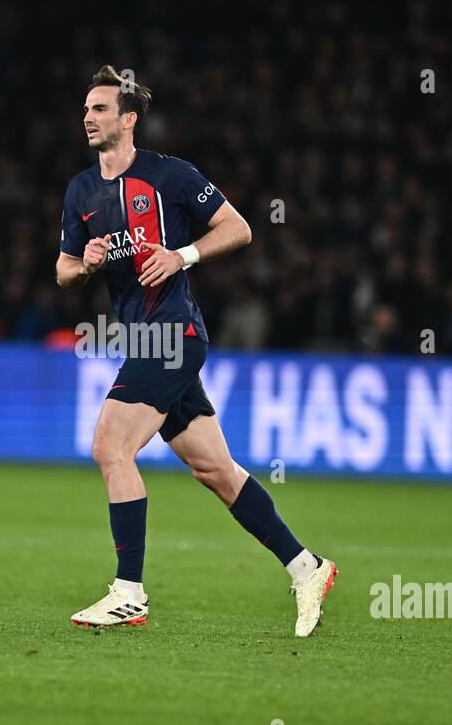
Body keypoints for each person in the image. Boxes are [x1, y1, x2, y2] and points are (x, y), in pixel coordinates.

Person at [55, 66, 336, 636]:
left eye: (100, 109)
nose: (88, 117)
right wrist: (82, 267)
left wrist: (183, 256)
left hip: (173, 333)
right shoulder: (81, 190)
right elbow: (62, 271)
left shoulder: (171, 175)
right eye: (86, 108)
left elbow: (239, 227)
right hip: (141, 338)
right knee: (215, 470)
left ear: (128, 119)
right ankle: (307, 567)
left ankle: (129, 591)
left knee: (110, 448)